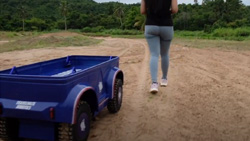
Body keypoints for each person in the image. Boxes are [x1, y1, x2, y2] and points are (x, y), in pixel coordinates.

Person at [141, 0, 178, 94]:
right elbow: (174, 9)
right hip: (167, 25)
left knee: (154, 55)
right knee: (165, 54)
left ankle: (154, 83)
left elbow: (142, 11)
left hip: (151, 25)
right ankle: (164, 79)